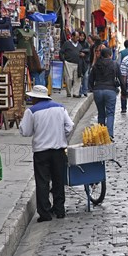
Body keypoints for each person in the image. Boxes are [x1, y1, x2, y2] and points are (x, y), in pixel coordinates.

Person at [19, 85, 74, 222]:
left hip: (41, 152)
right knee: (58, 180)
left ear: (36, 98)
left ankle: (45, 213)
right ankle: (59, 209)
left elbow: (25, 131)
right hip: (58, 150)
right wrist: (61, 136)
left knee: (42, 182)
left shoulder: (31, 111)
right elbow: (70, 126)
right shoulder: (60, 108)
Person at [89, 47, 120, 140]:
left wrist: (93, 89)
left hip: (98, 90)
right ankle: (109, 134)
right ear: (110, 55)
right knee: (110, 113)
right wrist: (124, 90)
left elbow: (91, 80)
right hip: (110, 90)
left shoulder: (96, 65)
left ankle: (102, 135)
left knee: (101, 113)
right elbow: (121, 78)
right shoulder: (115, 64)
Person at [59, 31, 83, 97]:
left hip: (77, 63)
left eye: (78, 37)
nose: (77, 39)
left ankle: (76, 93)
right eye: (76, 37)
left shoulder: (79, 45)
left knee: (77, 79)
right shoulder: (67, 43)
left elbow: (81, 51)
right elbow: (61, 52)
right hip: (68, 63)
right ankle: (69, 92)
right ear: (72, 37)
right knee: (69, 78)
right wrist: (63, 60)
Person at [119, 40, 128, 113]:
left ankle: (123, 108)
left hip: (123, 75)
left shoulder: (122, 53)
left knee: (123, 91)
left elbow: (118, 64)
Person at [78, 31, 91, 97]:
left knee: (86, 76)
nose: (82, 37)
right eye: (80, 36)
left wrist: (83, 53)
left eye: (83, 36)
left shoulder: (86, 44)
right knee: (79, 77)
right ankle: (79, 91)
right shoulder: (77, 44)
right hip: (78, 62)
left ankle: (85, 91)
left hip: (85, 62)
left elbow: (88, 51)